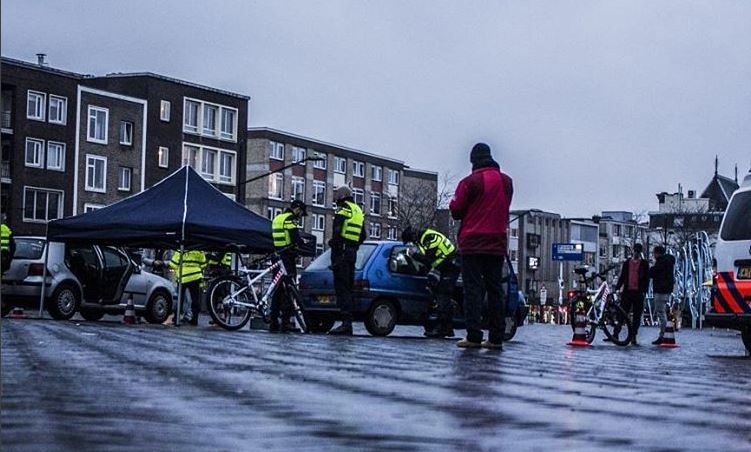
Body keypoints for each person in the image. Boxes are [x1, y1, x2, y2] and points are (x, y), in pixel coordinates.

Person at [449, 143, 514, 349]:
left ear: (473, 160)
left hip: (473, 242)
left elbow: (456, 210)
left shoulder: (469, 182)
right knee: (495, 290)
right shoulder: (506, 182)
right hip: (497, 242)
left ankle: (474, 335)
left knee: (473, 290)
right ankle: (496, 337)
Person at [402, 226, 459, 338]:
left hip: (451, 265)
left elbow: (429, 260)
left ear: (413, 236)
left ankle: (443, 328)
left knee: (443, 295)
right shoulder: (424, 239)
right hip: (445, 266)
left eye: (411, 241)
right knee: (441, 294)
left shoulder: (429, 237)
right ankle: (447, 328)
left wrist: (414, 255)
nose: (412, 244)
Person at [328, 186, 366, 336]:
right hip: (351, 254)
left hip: (341, 254)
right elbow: (363, 235)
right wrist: (353, 246)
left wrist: (335, 246)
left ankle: (345, 324)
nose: (335, 197)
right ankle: (347, 322)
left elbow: (337, 231)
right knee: (348, 288)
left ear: (343, 195)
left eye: (337, 194)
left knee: (342, 288)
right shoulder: (358, 211)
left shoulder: (343, 210)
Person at [270, 200, 308, 332]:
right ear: (297, 209)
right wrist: (303, 245)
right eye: (301, 213)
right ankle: (286, 322)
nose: (300, 216)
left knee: (278, 289)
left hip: (276, 255)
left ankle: (273, 320)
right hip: (287, 258)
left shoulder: (278, 218)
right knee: (289, 290)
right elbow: (295, 237)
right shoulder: (290, 218)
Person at [614, 243, 649, 345]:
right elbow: (622, 276)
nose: (636, 253)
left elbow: (646, 278)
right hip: (627, 292)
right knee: (622, 313)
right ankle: (616, 333)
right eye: (635, 251)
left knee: (637, 316)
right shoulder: (627, 263)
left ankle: (633, 336)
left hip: (638, 292)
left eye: (638, 251)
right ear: (633, 251)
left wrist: (644, 290)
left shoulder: (644, 264)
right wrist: (617, 287)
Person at [169, 249, 207, 326]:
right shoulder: (200, 250)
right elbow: (203, 264)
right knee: (195, 298)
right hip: (196, 276)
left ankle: (176, 318)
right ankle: (195, 319)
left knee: (180, 298)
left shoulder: (180, 249)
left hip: (183, 276)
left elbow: (173, 264)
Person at [649, 245, 675, 345]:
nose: (653, 255)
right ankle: (663, 334)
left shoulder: (661, 262)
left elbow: (652, 272)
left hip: (661, 290)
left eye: (654, 253)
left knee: (661, 312)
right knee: (662, 312)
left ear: (657, 253)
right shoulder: (668, 261)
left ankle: (663, 335)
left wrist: (651, 269)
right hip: (666, 290)